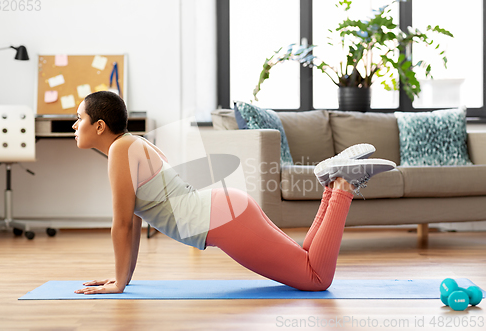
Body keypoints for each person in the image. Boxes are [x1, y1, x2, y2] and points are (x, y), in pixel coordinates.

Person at [73, 91, 396, 294]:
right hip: (227, 210)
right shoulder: (133, 144)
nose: (75, 126)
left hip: (224, 221)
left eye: (80, 119)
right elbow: (133, 222)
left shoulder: (119, 150)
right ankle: (332, 184)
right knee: (306, 262)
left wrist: (117, 282)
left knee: (315, 278)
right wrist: (122, 281)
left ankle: (341, 187)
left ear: (99, 126)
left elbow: (122, 225)